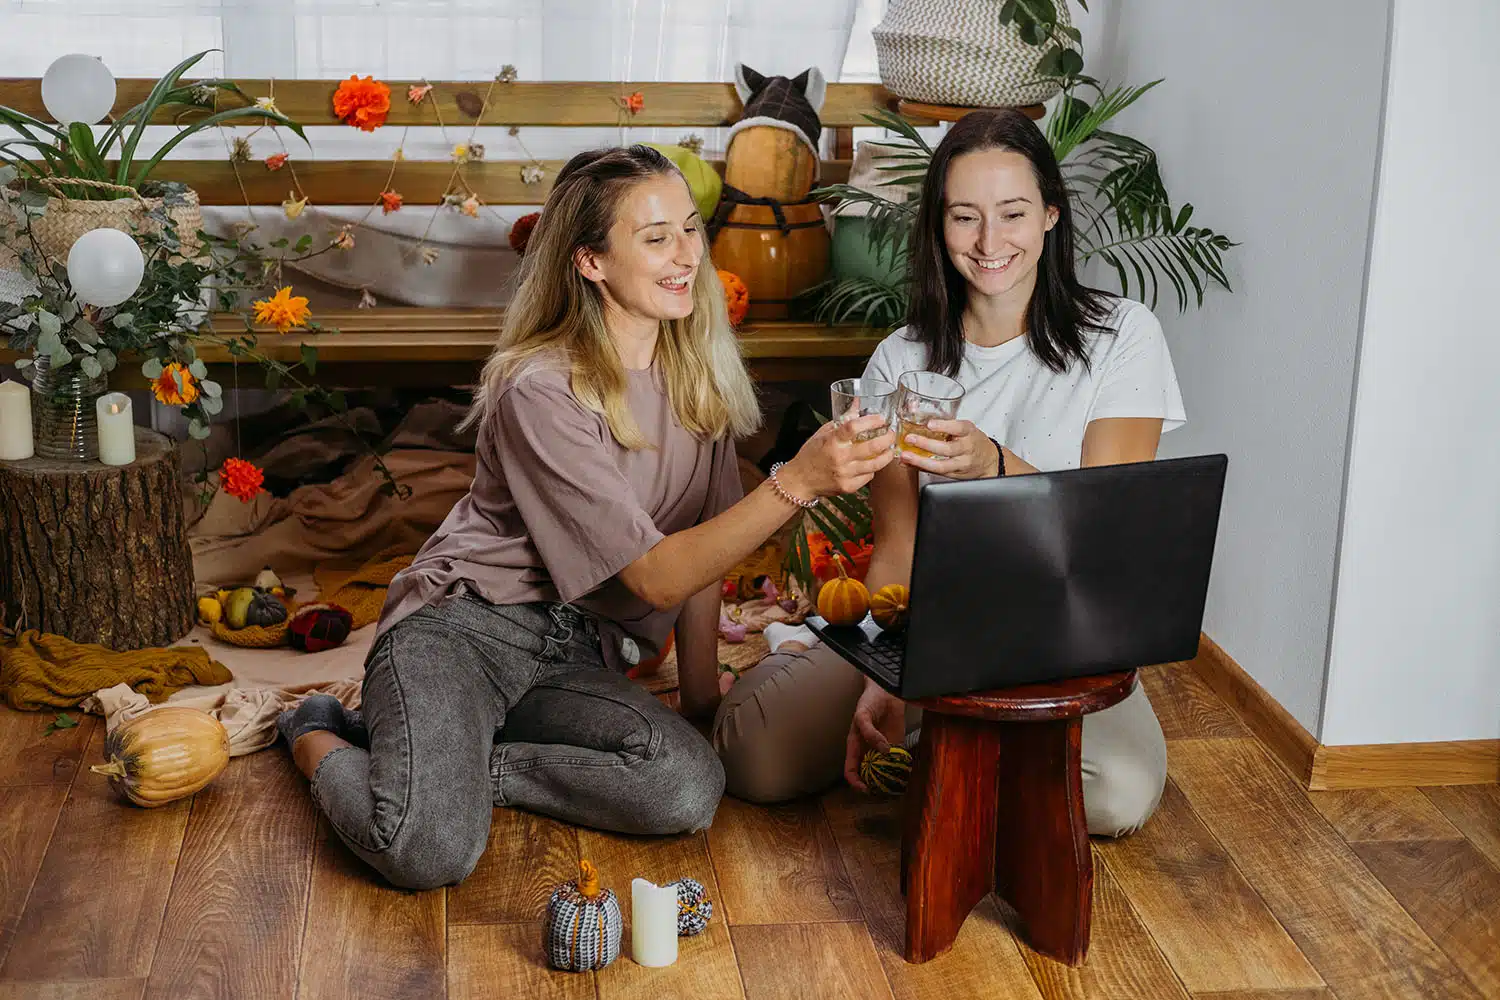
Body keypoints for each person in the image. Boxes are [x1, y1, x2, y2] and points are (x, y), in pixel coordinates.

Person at [274, 145, 895, 890]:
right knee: (426, 852)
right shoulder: (539, 388)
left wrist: (700, 700)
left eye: (691, 229)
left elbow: (703, 552)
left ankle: (460, 769)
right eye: (656, 237)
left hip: (576, 650)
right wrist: (797, 482)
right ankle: (315, 730)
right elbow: (656, 577)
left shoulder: (699, 375)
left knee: (687, 787)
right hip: (463, 630)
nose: (686, 255)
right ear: (591, 262)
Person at [712, 109, 1186, 838]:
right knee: (757, 761)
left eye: (1013, 214)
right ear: (938, 225)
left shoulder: (1123, 336)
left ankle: (945, 749)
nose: (990, 243)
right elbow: (896, 549)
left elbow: (1106, 539)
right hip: (930, 633)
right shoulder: (903, 361)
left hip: (1063, 638)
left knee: (1113, 799)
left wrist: (993, 465)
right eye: (966, 217)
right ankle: (832, 664)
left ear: (1051, 214)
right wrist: (880, 672)